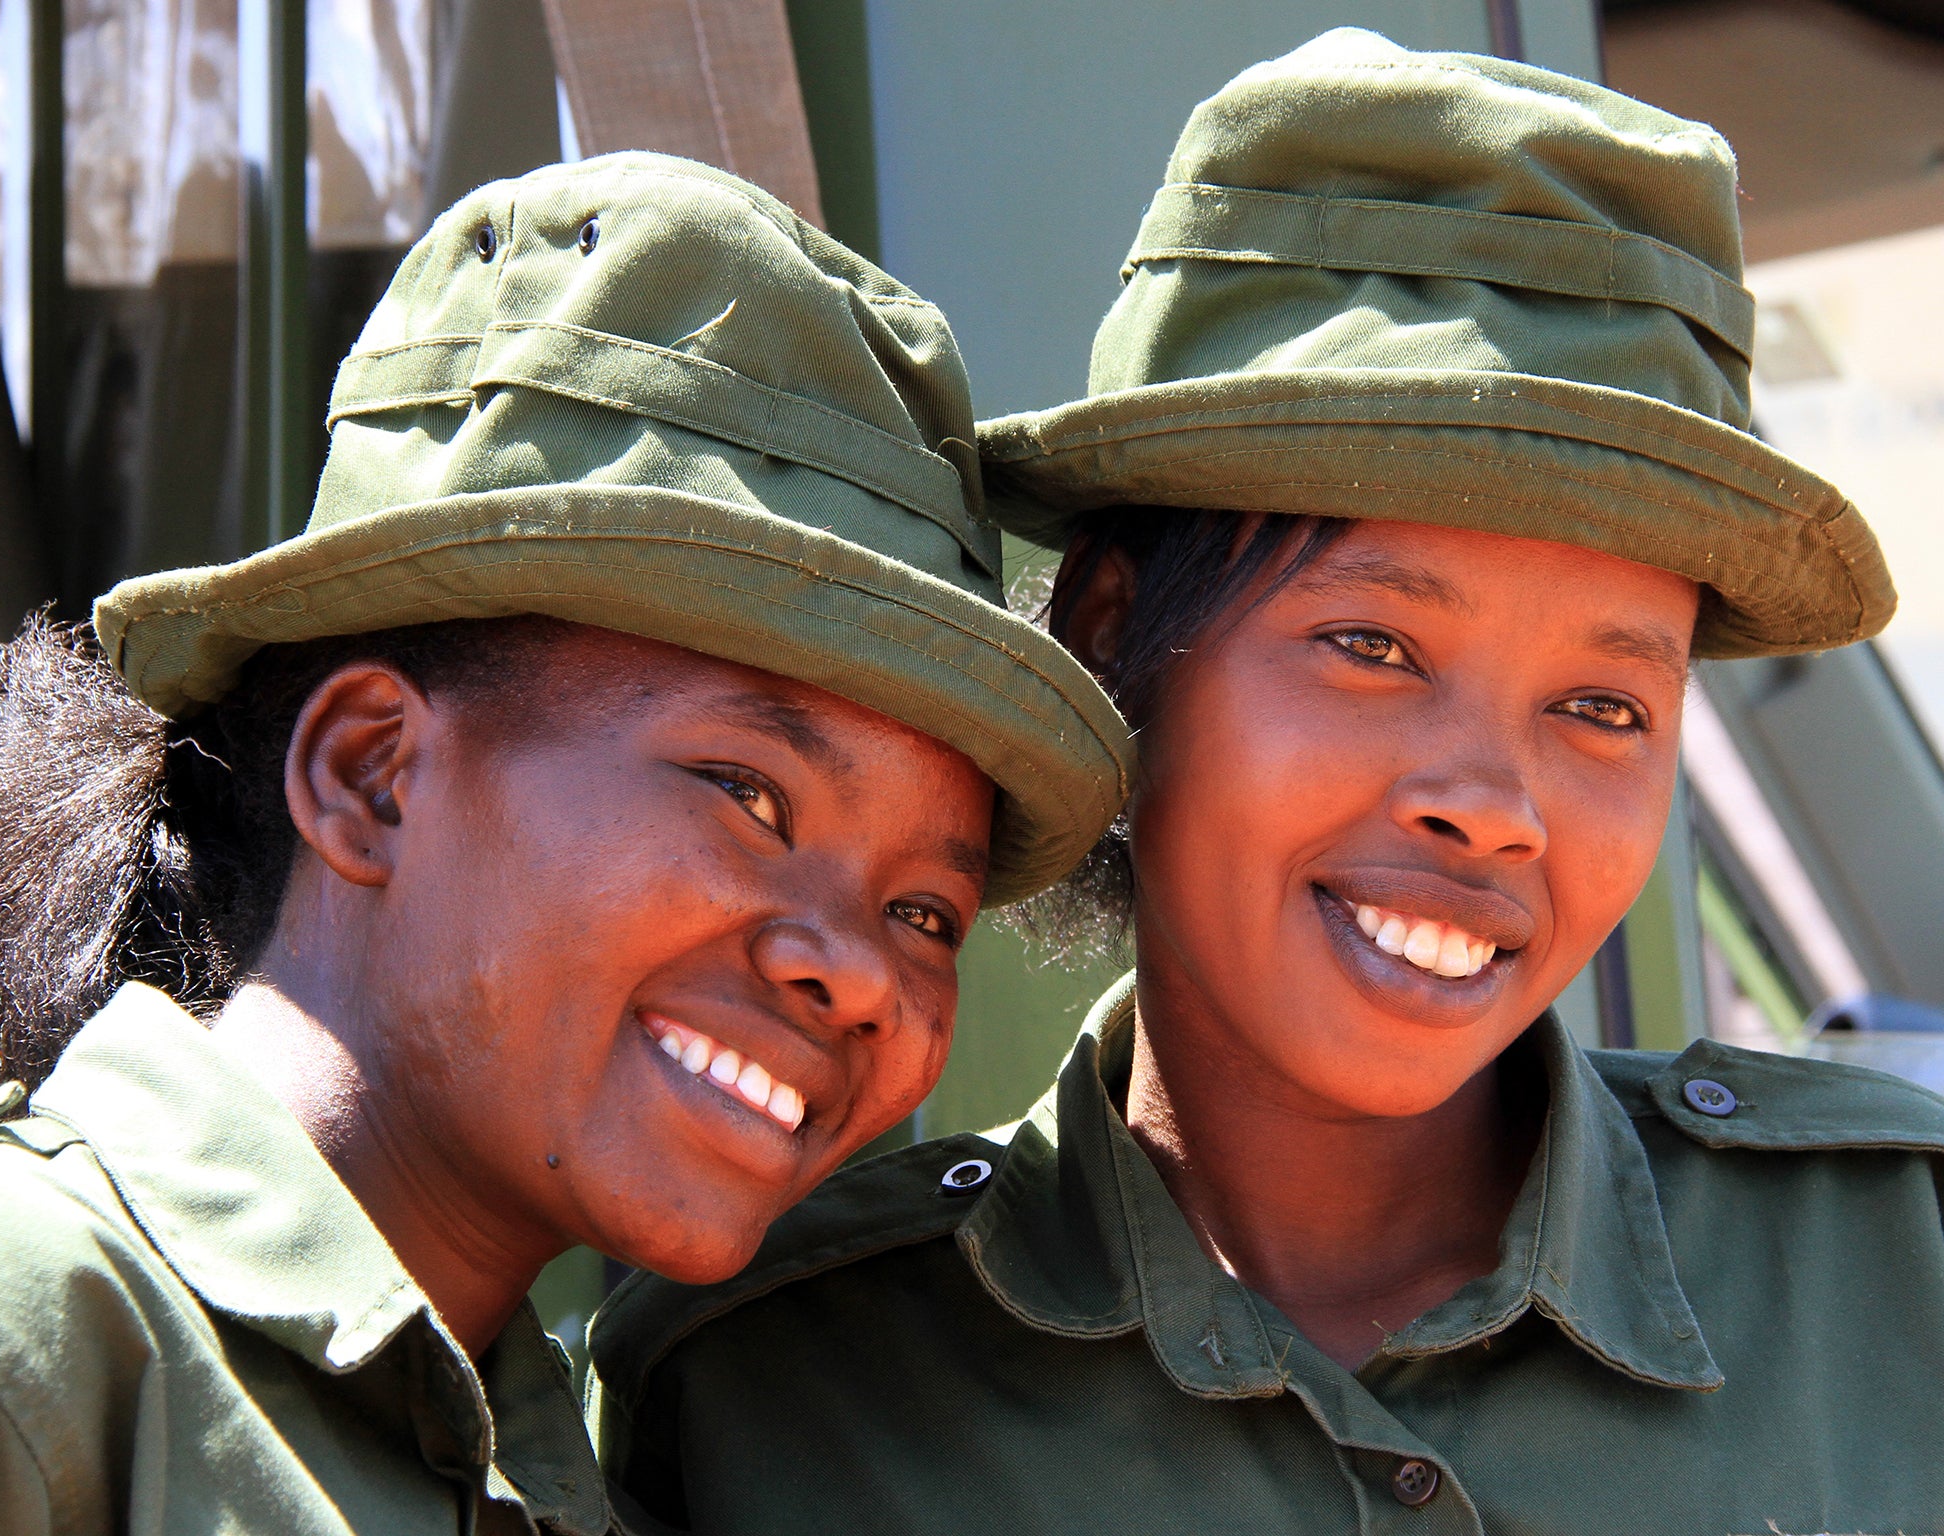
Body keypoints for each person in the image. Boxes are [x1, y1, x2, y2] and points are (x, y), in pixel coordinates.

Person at [587, 33, 1935, 1534]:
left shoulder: (1903, 1273)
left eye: (1604, 705)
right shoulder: (770, 1391)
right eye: (1370, 642)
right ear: (1111, 636)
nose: (1495, 802)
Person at [0, 153, 1130, 1535]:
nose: (857, 974)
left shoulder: (555, 1476)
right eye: (750, 794)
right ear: (369, 775)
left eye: (924, 913)